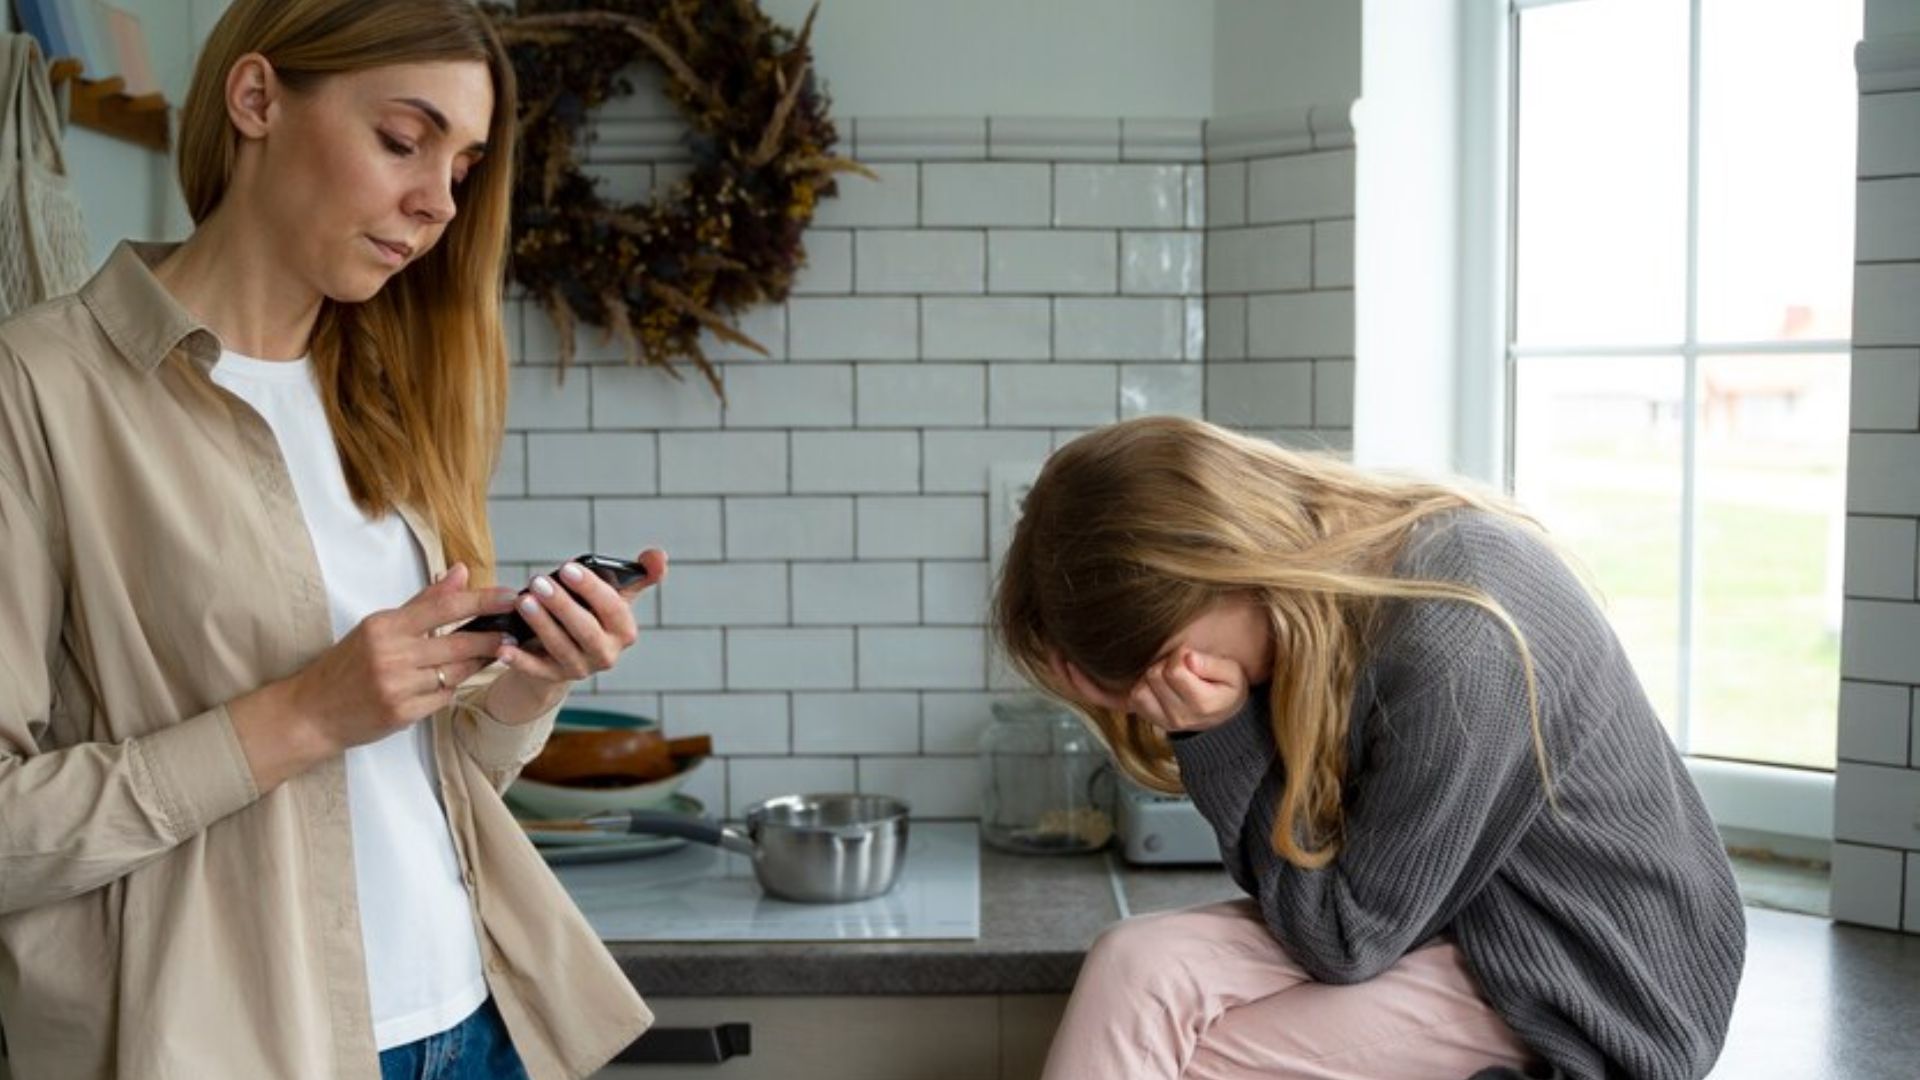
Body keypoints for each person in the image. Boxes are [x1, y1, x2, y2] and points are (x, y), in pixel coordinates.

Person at [0, 1, 663, 1076]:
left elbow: (427, 773)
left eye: (461, 166)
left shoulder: (394, 397)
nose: (435, 201)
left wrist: (523, 693)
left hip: (473, 1023)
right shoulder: (39, 388)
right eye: (404, 140)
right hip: (238, 1049)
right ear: (257, 98)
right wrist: (298, 718)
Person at [994, 416, 1745, 1080]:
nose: (1165, 694)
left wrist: (1211, 731)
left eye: (1158, 672)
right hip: (1454, 917)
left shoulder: (1459, 636)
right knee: (1135, 964)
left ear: (1218, 576)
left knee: (1198, 1062)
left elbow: (1343, 938)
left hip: (1593, 980)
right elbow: (1325, 884)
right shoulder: (1338, 592)